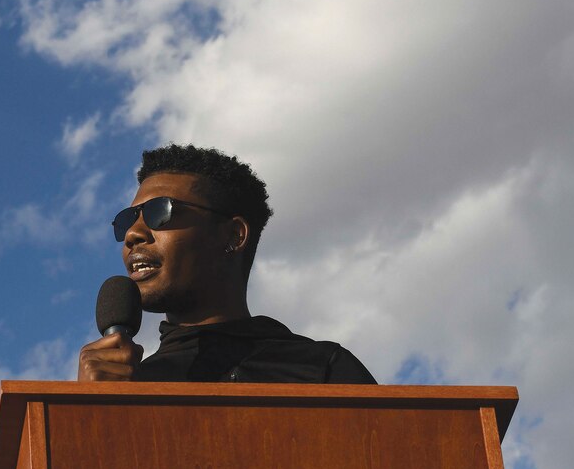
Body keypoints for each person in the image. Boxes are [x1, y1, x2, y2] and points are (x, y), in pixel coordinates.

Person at [77, 144, 376, 384]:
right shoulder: (130, 386)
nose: (133, 234)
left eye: (159, 212)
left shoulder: (320, 369)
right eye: (128, 220)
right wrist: (86, 410)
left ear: (234, 235)